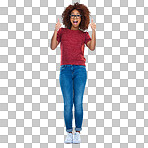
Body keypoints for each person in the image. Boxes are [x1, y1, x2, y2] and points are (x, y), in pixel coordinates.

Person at [50, 2, 96, 144]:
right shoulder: (62, 32)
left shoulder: (84, 34)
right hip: (65, 70)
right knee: (68, 103)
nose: (75, 18)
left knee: (78, 102)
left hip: (80, 70)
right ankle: (69, 132)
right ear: (68, 17)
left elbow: (92, 48)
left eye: (78, 15)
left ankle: (78, 132)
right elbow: (52, 47)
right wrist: (55, 30)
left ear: (82, 18)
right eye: (72, 15)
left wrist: (94, 31)